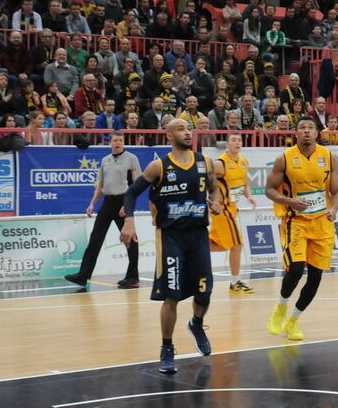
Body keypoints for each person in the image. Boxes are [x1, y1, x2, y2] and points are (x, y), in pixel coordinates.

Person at [119, 119, 223, 374]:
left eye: (189, 128)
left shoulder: (205, 162)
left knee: (204, 292)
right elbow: (131, 193)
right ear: (169, 135)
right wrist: (129, 222)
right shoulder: (159, 166)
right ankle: (167, 347)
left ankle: (196, 324)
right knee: (172, 295)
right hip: (171, 237)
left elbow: (214, 188)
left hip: (198, 235)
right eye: (181, 129)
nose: (187, 132)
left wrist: (216, 201)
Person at [264, 116, 338, 341]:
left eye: (311, 128)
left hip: (322, 223)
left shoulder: (329, 157)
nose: (307, 131)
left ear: (317, 133)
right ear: (295, 133)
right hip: (295, 221)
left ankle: (293, 320)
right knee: (296, 269)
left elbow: (336, 192)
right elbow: (269, 189)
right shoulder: (284, 159)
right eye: (302, 128)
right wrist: (289, 202)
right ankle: (280, 308)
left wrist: (334, 209)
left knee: (316, 277)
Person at [64, 133, 141, 288]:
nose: (117, 143)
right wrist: (92, 203)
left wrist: (127, 205)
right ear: (110, 143)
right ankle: (83, 275)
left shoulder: (131, 158)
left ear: (124, 143)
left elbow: (136, 184)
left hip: (123, 201)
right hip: (108, 202)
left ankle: (133, 276)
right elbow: (100, 184)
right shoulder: (105, 160)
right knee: (95, 239)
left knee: (129, 237)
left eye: (120, 140)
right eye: (115, 140)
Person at [210, 132, 258, 293]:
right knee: (237, 245)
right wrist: (214, 200)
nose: (237, 142)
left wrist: (249, 197)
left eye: (239, 140)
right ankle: (235, 282)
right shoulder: (220, 163)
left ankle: (193, 245)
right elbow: (209, 182)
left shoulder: (244, 162)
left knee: (223, 245)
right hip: (222, 209)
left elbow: (244, 183)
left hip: (233, 208)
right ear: (227, 144)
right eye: (233, 140)